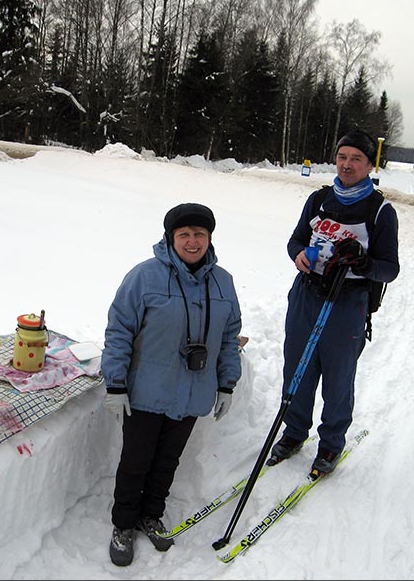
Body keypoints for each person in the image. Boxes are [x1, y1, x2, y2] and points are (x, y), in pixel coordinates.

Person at [101, 203, 242, 567]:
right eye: (184, 235)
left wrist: (226, 383)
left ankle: (151, 515)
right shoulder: (144, 277)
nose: (192, 242)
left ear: (209, 238)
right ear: (170, 238)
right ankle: (123, 525)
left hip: (193, 392)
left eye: (200, 234)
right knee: (136, 461)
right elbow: (119, 331)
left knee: (167, 461)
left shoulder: (223, 281)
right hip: (147, 391)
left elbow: (229, 337)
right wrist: (115, 384)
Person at [268, 129, 399, 476]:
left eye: (356, 158)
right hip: (307, 295)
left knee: (338, 376)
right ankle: (294, 432)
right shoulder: (319, 199)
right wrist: (298, 255)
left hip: (347, 302)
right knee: (297, 366)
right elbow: (296, 239)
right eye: (343, 157)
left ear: (370, 164)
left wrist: (363, 263)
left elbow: (390, 268)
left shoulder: (380, 210)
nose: (347, 164)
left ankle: (330, 443)